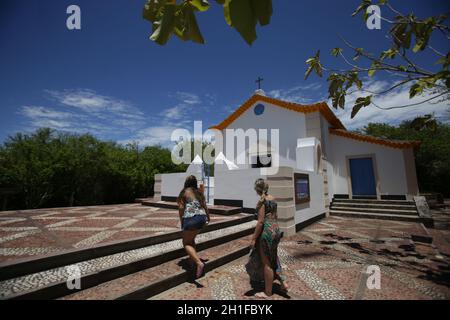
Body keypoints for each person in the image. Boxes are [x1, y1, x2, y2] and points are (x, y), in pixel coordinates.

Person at [246, 178, 288, 298]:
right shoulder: (273, 199)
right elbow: (276, 216)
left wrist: (253, 239)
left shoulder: (261, 202)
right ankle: (283, 282)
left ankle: (267, 292)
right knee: (274, 257)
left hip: (266, 232)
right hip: (276, 229)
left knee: (267, 263)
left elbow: (260, 222)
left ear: (257, 190)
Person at [177, 175, 210, 278]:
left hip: (191, 219)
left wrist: (182, 221)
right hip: (202, 218)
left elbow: (181, 208)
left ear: (186, 183)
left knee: (186, 243)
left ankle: (199, 263)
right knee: (191, 240)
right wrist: (208, 217)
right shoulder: (199, 192)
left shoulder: (184, 193)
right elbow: (205, 206)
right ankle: (192, 263)